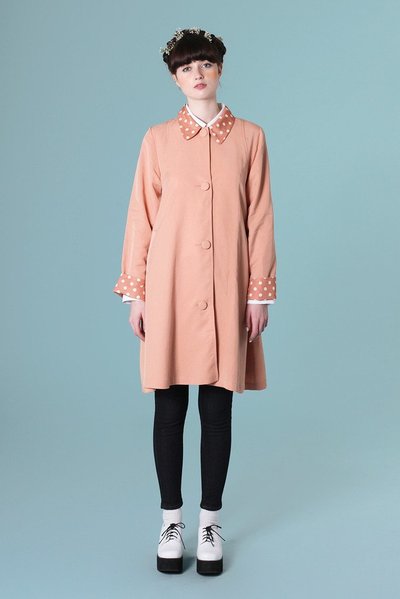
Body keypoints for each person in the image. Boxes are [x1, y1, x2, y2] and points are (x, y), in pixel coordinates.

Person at [113, 27, 277, 575]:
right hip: (169, 288)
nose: (197, 74)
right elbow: (141, 216)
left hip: (227, 288)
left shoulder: (250, 137)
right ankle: (170, 522)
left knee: (217, 408)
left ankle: (210, 522)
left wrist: (258, 293)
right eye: (186, 68)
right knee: (168, 407)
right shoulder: (157, 140)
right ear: (174, 78)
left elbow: (260, 217)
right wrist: (135, 292)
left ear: (220, 69)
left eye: (205, 64)